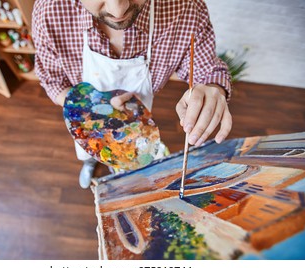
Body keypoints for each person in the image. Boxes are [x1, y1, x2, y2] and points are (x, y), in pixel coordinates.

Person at [32, 0, 232, 189]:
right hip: (86, 118)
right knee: (90, 151)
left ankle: (114, 167)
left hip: (138, 121)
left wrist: (213, 88)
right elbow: (53, 81)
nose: (118, 11)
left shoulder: (185, 8)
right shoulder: (50, 10)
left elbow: (206, 69)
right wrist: (94, 108)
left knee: (125, 155)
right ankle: (90, 164)